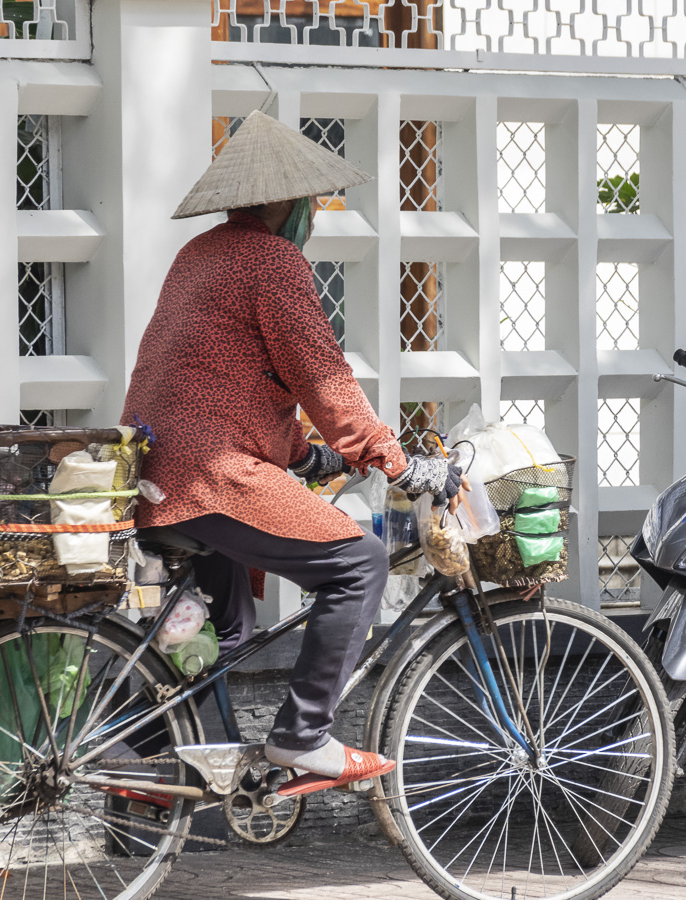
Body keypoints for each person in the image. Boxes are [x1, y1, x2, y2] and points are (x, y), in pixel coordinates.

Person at [123, 111, 467, 795]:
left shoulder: (201, 254)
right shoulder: (272, 261)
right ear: (284, 202)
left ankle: (136, 751)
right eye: (310, 202)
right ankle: (303, 736)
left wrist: (310, 460)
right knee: (359, 562)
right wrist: (394, 461)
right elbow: (320, 373)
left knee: (224, 630)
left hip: (155, 470)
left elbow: (224, 379)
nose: (313, 214)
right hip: (210, 476)